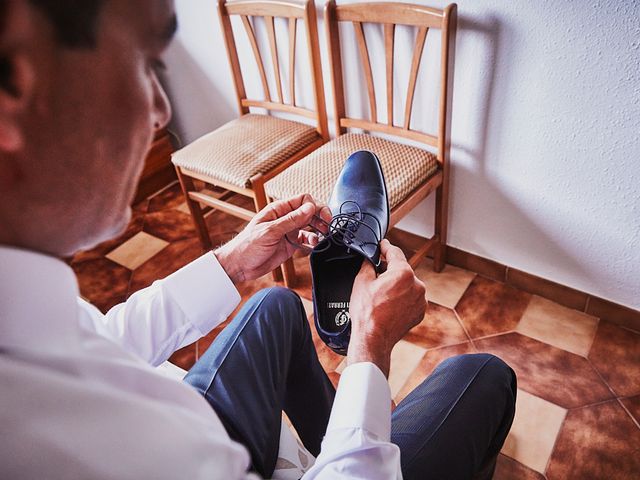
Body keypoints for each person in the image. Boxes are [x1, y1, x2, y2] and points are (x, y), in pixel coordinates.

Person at [0, 1, 517, 478]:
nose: (161, 112)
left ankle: (330, 443)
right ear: (16, 89)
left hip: (192, 413)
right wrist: (368, 347)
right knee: (486, 375)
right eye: (146, 65)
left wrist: (232, 262)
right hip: (212, 455)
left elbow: (105, 342)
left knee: (274, 303)